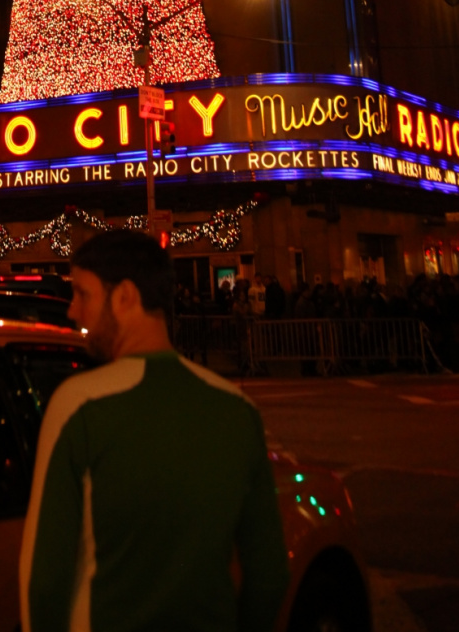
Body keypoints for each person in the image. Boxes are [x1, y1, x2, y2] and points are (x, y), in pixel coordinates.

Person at [20, 231, 288, 632]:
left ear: (125, 296)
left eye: (82, 294)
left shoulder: (79, 405)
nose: (72, 311)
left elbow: (43, 579)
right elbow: (269, 573)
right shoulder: (238, 408)